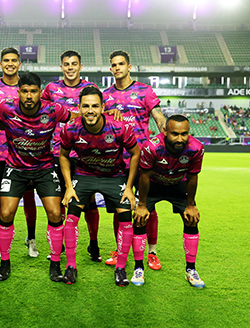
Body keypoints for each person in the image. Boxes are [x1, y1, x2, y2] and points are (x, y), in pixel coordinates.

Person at [0, 72, 78, 282]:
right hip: (15, 168)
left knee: (56, 214)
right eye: (24, 91)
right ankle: (4, 263)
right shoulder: (5, 107)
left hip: (44, 168)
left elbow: (76, 116)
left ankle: (55, 264)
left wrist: (107, 113)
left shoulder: (53, 109)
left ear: (40, 92)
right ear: (18, 92)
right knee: (6, 213)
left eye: (33, 91)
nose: (29, 96)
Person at [60, 86, 140, 286]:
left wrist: (129, 187)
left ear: (103, 107)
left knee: (125, 218)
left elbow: (136, 153)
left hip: (114, 176)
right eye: (85, 106)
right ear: (79, 107)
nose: (90, 110)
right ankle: (71, 267)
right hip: (84, 175)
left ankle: (121, 268)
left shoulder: (120, 127)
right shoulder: (71, 128)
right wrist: (69, 186)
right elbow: (63, 155)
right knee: (70, 218)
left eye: (95, 106)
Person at [98, 50, 166, 270]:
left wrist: (167, 132)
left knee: (148, 206)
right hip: (116, 162)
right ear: (111, 70)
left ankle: (152, 252)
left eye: (121, 64)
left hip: (143, 162)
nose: (117, 68)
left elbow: (158, 117)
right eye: (114, 65)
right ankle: (120, 250)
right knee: (120, 208)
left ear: (129, 67)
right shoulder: (105, 96)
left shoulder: (144, 91)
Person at [42, 50, 101, 261]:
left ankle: (93, 244)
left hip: (86, 153)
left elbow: (102, 113)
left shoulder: (90, 89)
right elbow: (42, 112)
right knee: (60, 201)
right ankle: (63, 246)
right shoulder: (51, 89)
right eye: (66, 64)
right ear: (61, 67)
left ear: (80, 66)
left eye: (74, 64)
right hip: (58, 152)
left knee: (90, 202)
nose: (70, 67)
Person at [133, 114, 204, 288]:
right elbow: (143, 177)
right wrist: (141, 205)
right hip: (152, 185)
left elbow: (193, 177)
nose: (180, 139)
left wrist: (191, 204)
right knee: (140, 220)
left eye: (184, 134)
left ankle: (191, 270)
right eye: (174, 134)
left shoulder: (196, 148)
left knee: (191, 219)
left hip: (177, 185)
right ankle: (138, 268)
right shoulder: (151, 147)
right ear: (165, 131)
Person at [0, 47, 38, 258]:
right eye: (6, 60)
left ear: (19, 64)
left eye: (14, 60)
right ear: (1, 64)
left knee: (29, 196)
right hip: (0, 153)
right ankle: (0, 240)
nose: (10, 63)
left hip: (26, 152)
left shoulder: (27, 87)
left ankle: (31, 239)